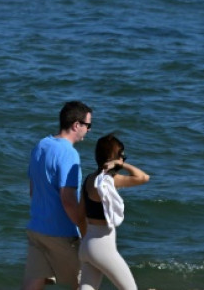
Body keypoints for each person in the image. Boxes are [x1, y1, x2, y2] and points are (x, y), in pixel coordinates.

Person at [22, 101, 94, 290]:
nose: (88, 130)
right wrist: (84, 230)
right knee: (86, 282)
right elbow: (68, 200)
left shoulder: (41, 146)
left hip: (37, 228)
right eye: (88, 125)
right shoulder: (69, 153)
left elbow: (33, 190)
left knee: (32, 284)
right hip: (61, 234)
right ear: (76, 125)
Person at [78, 133, 150, 290]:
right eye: (122, 155)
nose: (123, 158)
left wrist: (85, 241)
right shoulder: (110, 180)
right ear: (115, 158)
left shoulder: (89, 179)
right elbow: (144, 177)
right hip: (103, 247)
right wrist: (121, 164)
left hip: (87, 244)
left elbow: (80, 215)